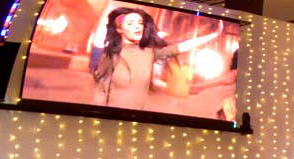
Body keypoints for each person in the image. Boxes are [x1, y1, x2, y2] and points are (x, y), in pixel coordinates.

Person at [89, 7, 223, 111]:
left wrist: (212, 36)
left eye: (140, 23)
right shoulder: (111, 55)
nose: (137, 27)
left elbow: (180, 47)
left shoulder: (149, 53)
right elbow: (100, 92)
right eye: (130, 23)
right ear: (120, 30)